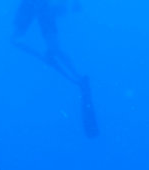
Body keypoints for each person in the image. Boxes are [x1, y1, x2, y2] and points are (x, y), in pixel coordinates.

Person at [12, 0, 99, 138]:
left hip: (39, 6)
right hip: (38, 6)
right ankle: (77, 76)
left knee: (21, 40)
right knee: (24, 41)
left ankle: (77, 77)